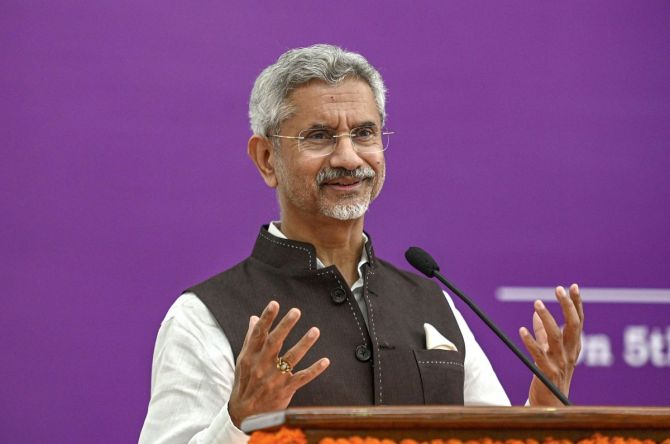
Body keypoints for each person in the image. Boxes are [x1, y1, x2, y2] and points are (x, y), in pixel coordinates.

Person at [139, 44, 584, 444]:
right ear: (267, 158)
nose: (349, 157)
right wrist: (238, 422)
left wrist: (546, 405)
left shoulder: (431, 302)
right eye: (319, 136)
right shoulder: (203, 316)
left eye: (365, 133)